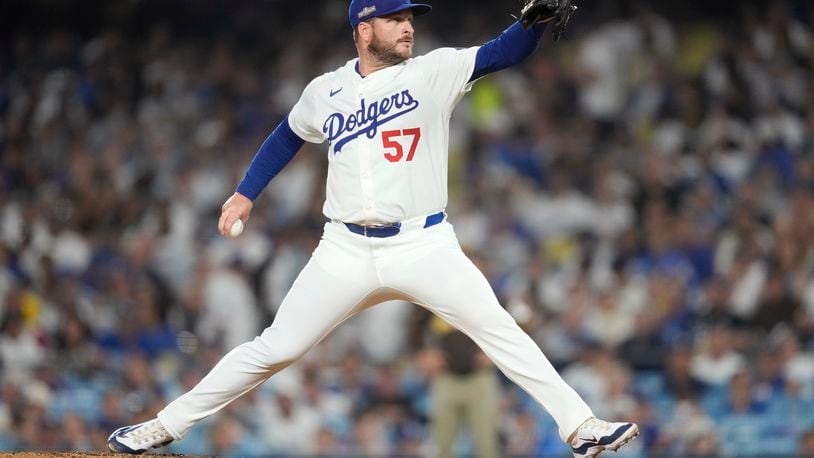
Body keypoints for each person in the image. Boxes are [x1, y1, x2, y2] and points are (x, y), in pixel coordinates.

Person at [107, 1, 639, 456]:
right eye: (395, 19)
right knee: (274, 349)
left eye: (410, 18)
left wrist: (533, 27)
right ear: (364, 30)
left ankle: (580, 426)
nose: (408, 27)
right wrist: (247, 191)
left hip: (424, 241)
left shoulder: (433, 71)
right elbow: (287, 135)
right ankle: (164, 425)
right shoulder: (326, 90)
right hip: (344, 248)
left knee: (497, 328)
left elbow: (503, 51)